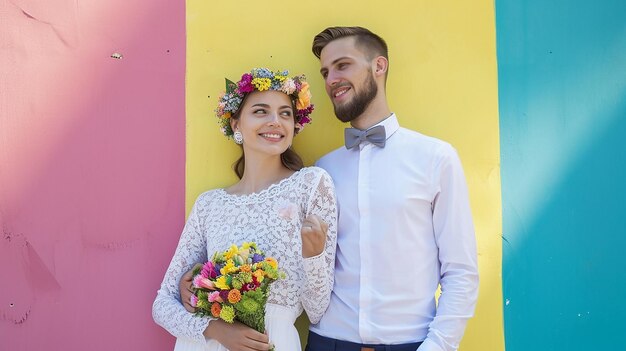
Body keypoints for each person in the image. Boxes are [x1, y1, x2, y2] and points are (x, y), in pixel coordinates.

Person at [305, 27, 479, 351]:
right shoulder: (322, 169)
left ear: (379, 66)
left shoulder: (436, 158)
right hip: (327, 341)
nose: (330, 80)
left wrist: (437, 346)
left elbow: (461, 271)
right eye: (326, 72)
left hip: (411, 343)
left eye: (342, 65)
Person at [153, 68, 338, 351]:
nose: (275, 121)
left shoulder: (312, 184)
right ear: (236, 125)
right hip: (208, 344)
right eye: (261, 111)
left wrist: (313, 256)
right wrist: (215, 329)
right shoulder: (209, 204)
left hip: (274, 342)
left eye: (285, 113)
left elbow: (317, 309)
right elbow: (163, 304)